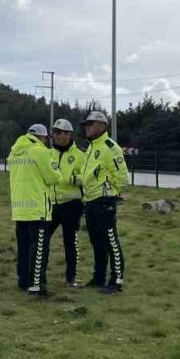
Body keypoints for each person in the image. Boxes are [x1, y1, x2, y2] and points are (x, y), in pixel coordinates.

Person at [78, 110, 129, 294]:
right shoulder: (91, 147)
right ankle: (98, 277)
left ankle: (116, 281)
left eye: (90, 124)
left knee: (111, 241)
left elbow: (123, 177)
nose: (86, 128)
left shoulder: (110, 147)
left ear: (101, 125)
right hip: (90, 201)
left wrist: (110, 194)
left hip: (104, 201)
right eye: (85, 125)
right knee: (97, 242)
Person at [8, 123, 61, 295]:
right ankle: (36, 284)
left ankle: (22, 280)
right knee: (39, 248)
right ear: (43, 137)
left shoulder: (15, 151)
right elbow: (54, 177)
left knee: (23, 247)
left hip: (20, 209)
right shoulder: (39, 151)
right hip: (37, 208)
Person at [47, 119, 86, 287]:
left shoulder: (80, 154)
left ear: (67, 134)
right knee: (43, 238)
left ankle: (71, 277)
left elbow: (87, 177)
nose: (55, 136)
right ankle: (39, 275)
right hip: (52, 203)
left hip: (72, 204)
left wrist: (70, 179)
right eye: (54, 132)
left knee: (70, 241)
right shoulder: (49, 153)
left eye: (58, 132)